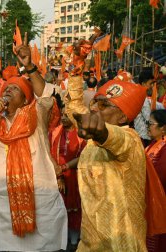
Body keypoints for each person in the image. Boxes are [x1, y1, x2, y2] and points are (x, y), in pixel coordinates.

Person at [0, 33, 68, 251]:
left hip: (38, 197)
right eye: (6, 89)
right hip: (1, 204)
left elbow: (47, 94)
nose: (7, 91)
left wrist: (29, 67)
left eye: (14, 89)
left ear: (26, 99)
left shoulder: (36, 114)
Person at [64, 70, 150, 250]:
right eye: (95, 102)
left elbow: (115, 138)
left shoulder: (131, 140)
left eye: (104, 105)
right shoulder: (93, 141)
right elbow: (75, 108)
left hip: (120, 243)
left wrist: (102, 132)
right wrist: (75, 70)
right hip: (90, 239)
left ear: (123, 117)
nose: (94, 108)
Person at [50, 107, 86, 251]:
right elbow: (50, 153)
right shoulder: (54, 133)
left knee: (76, 208)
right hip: (57, 176)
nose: (63, 118)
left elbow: (83, 157)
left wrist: (64, 168)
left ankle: (74, 238)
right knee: (59, 207)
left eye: (67, 115)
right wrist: (58, 175)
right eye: (62, 114)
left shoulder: (82, 134)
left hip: (76, 176)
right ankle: (60, 238)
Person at [146, 109, 166, 252]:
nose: (148, 126)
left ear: (163, 128)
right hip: (150, 201)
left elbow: (161, 175)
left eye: (151, 123)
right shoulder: (152, 144)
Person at [134, 70, 164, 146]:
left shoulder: (144, 96)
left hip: (143, 135)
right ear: (143, 84)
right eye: (150, 84)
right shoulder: (142, 97)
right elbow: (148, 118)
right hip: (144, 136)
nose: (152, 86)